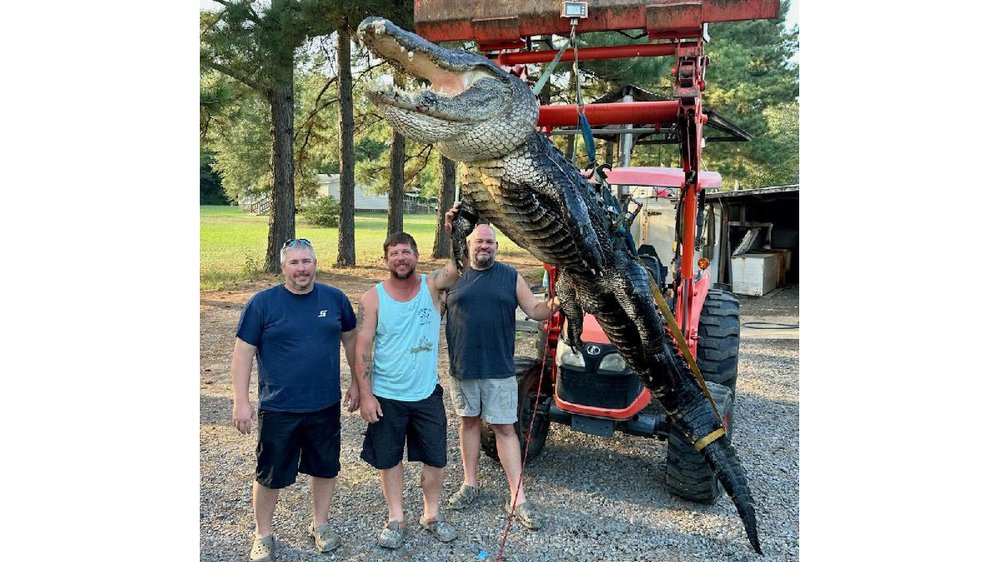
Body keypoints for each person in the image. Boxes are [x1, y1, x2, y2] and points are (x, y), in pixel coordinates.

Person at [231, 238, 359, 562]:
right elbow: (243, 353)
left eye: (307, 262)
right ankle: (263, 534)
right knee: (269, 474)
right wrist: (241, 401)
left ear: (315, 264)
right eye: (294, 263)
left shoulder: (336, 299)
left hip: (324, 405)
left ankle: (320, 523)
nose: (301, 269)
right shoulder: (262, 304)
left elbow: (352, 344)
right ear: (283, 267)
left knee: (325, 468)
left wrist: (359, 384)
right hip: (279, 406)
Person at [442, 214, 559, 531]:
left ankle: (517, 496)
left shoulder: (510, 276)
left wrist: (558, 301)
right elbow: (431, 309)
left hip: (500, 370)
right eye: (479, 241)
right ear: (468, 244)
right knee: (468, 423)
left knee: (505, 429)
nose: (485, 246)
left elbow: (535, 310)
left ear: (496, 247)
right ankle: (470, 483)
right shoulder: (454, 276)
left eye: (490, 242)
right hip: (463, 368)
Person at [354, 231, 461, 549]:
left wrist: (455, 231)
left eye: (406, 252)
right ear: (386, 259)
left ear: (416, 255)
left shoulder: (432, 286)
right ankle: (395, 518)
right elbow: (363, 346)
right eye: (394, 253)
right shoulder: (374, 298)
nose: (401, 258)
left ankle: (431, 516)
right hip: (387, 396)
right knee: (388, 460)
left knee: (436, 460)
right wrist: (366, 394)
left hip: (426, 394)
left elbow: (457, 268)